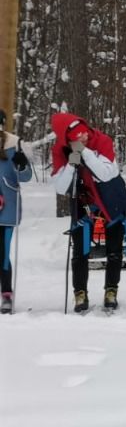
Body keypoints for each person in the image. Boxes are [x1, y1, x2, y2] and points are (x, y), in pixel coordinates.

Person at [51, 113, 126, 314]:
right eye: (79, 138)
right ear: (68, 140)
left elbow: (107, 173)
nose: (84, 138)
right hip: (83, 202)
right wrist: (71, 164)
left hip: (110, 200)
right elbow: (61, 188)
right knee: (80, 252)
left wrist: (85, 152)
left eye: (85, 134)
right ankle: (80, 293)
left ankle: (111, 291)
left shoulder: (102, 140)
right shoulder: (59, 150)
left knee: (114, 250)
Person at [0, 111, 32, 313]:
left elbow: (26, 176)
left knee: (2, 253)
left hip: (6, 210)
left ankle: (6, 294)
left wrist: (21, 164)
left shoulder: (13, 146)